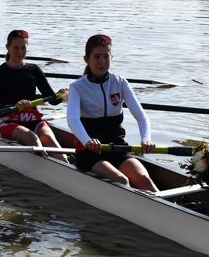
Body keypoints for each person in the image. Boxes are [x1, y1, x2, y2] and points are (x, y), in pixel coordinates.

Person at [66, 34, 158, 191]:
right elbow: (72, 120)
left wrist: (146, 139)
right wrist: (87, 140)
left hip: (117, 148)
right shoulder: (77, 87)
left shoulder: (120, 82)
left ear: (111, 58)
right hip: (90, 151)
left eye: (106, 57)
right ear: (86, 59)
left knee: (144, 180)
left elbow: (141, 116)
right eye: (97, 57)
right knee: (121, 181)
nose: (102, 62)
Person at [0, 29, 63, 152]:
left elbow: (53, 100)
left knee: (49, 139)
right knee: (32, 138)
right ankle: (44, 161)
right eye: (16, 48)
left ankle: (63, 161)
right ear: (8, 48)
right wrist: (14, 106)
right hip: (9, 121)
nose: (20, 52)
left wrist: (64, 95)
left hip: (33, 119)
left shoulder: (34, 70)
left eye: (23, 48)